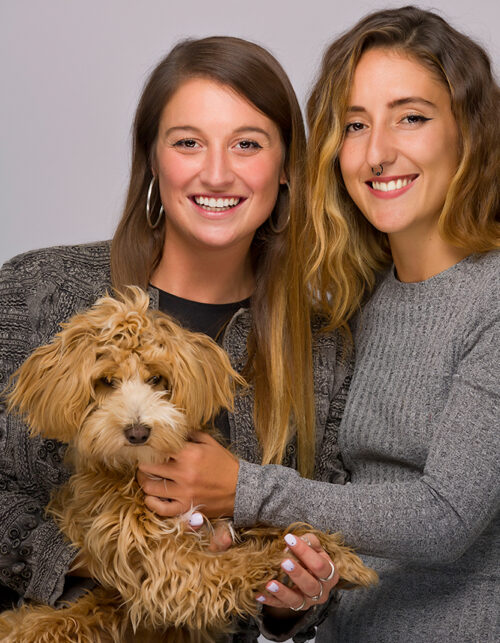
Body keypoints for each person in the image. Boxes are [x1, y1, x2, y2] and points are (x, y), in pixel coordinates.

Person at [139, 7, 499, 642]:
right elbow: (342, 508)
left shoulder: (491, 300)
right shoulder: (355, 305)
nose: (378, 153)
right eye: (355, 125)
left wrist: (243, 488)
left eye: (411, 117)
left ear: (469, 131)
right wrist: (282, 587)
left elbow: (446, 515)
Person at [0, 36, 346, 641]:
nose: (217, 172)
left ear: (287, 166)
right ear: (153, 161)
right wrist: (110, 557)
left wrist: (289, 601)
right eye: (188, 142)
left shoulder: (325, 345)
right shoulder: (35, 288)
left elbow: (334, 541)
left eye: (247, 143)